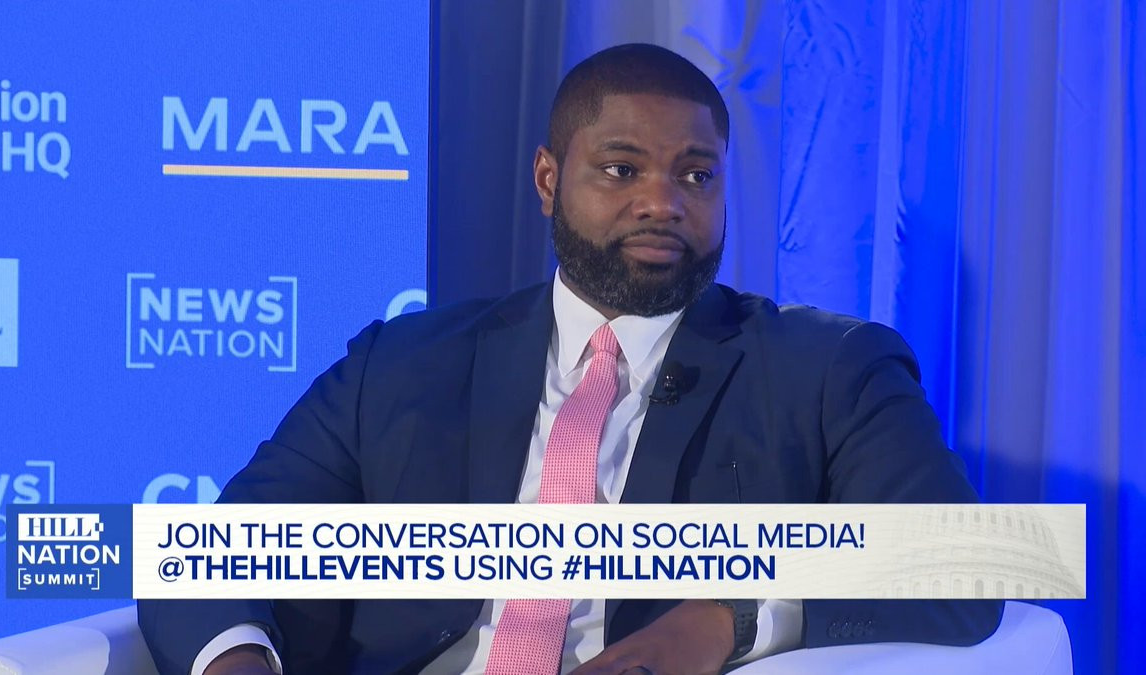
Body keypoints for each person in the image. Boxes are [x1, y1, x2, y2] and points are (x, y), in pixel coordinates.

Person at [138, 43, 1002, 675]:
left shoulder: (829, 369)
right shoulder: (399, 364)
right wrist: (239, 661)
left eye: (696, 176)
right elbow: (206, 550)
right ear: (549, 180)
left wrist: (727, 617)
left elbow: (956, 570)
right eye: (622, 170)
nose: (663, 202)